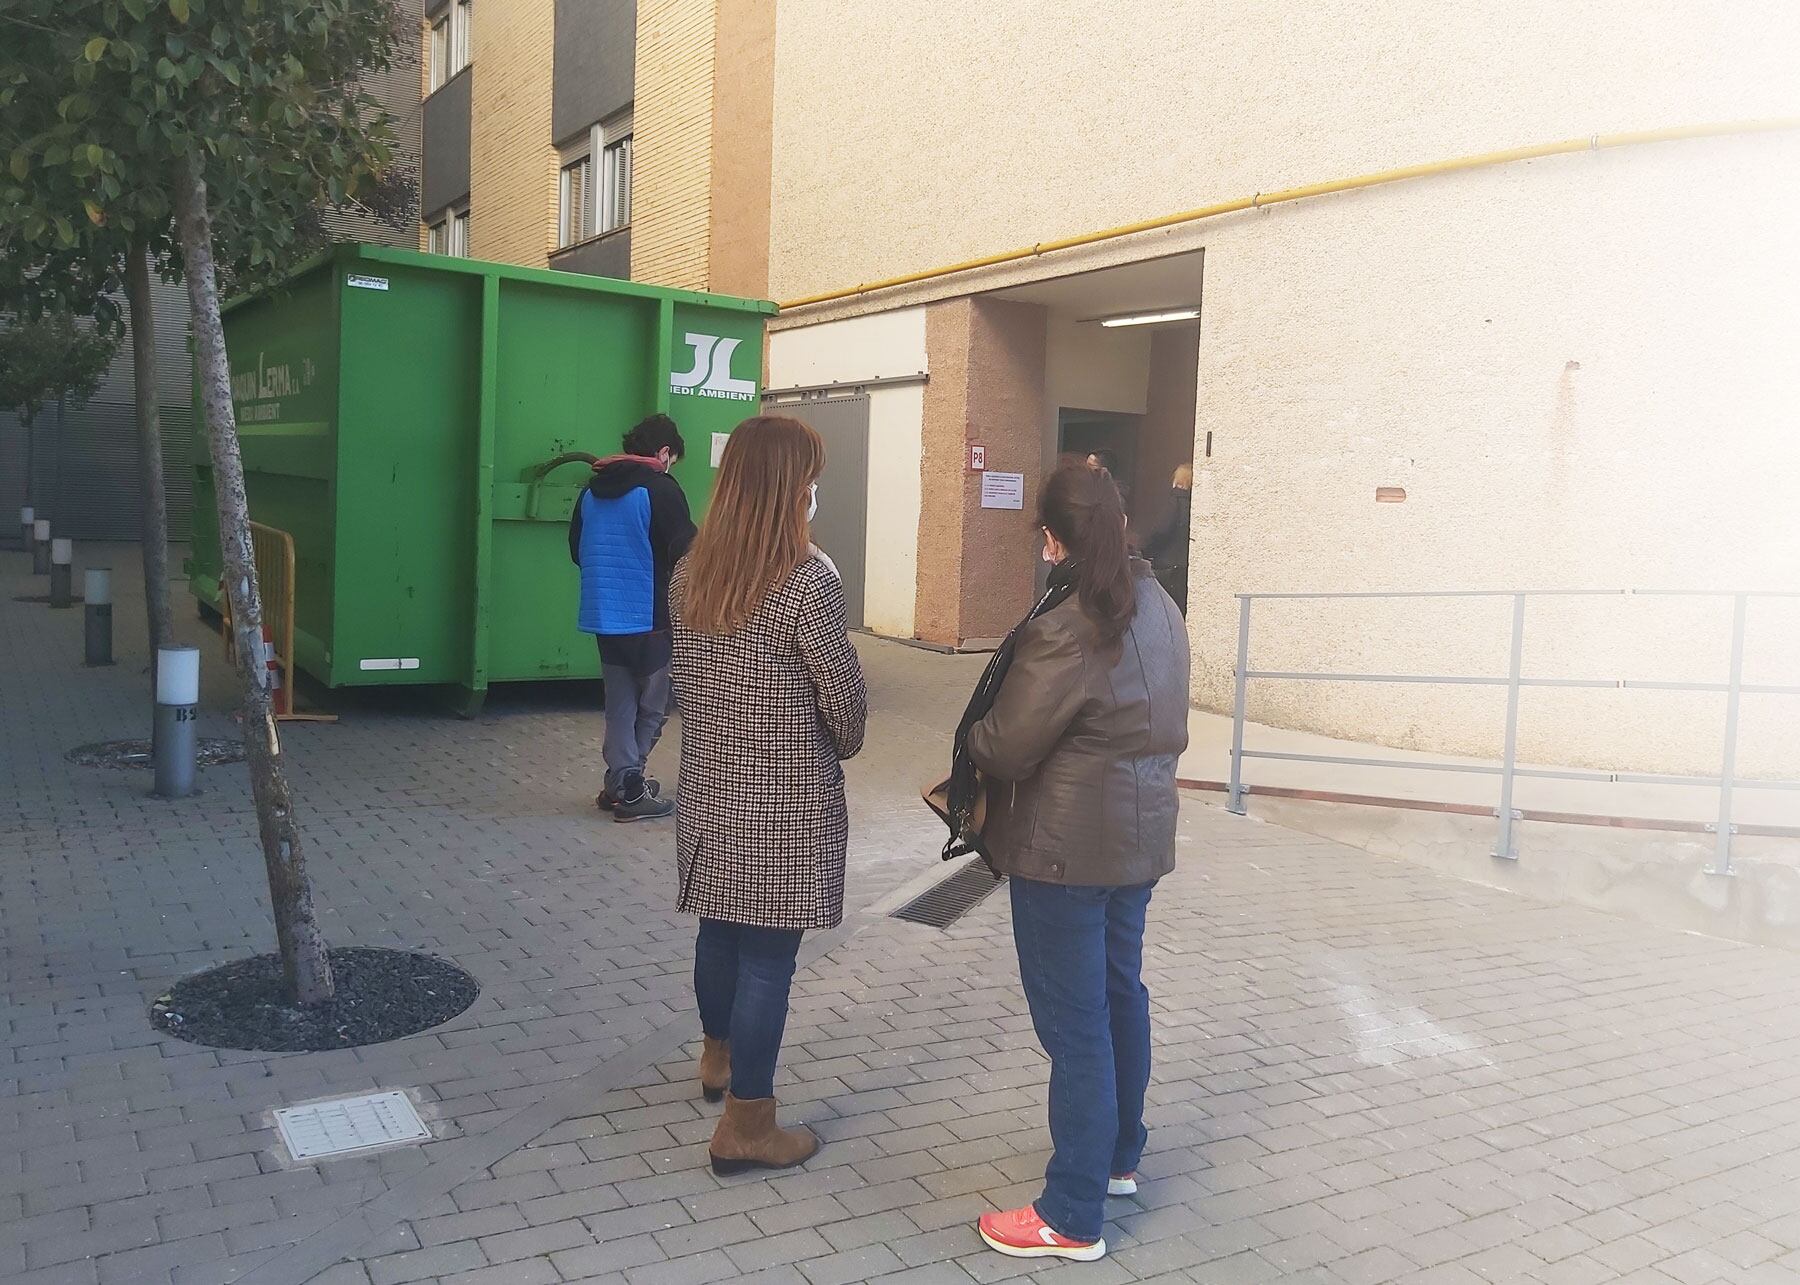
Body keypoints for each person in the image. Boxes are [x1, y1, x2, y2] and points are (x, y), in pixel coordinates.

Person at [960, 460, 1189, 1261]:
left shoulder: (1069, 623)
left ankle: (1070, 1211)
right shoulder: (1161, 605)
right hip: (1138, 841)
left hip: (1063, 855)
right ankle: (1118, 1155)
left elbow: (1007, 745)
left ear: (1054, 539)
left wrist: (973, 735)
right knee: (1121, 995)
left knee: (1076, 1025)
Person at [669, 414, 866, 1174]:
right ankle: (748, 1124)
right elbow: (844, 709)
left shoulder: (692, 571)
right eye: (812, 477)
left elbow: (685, 683)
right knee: (767, 959)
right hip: (784, 802)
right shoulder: (807, 581)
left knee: (718, 934)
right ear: (792, 488)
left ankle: (717, 1058)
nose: (817, 490)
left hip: (709, 791)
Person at [569, 413, 696, 822]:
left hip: (603, 613)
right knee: (654, 707)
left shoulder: (591, 491)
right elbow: (687, 552)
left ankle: (621, 781)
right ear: (664, 452)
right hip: (649, 615)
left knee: (620, 706)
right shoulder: (660, 489)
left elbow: (576, 550)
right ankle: (629, 785)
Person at [1141, 462, 1192, 615]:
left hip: (1167, 565)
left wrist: (1146, 549)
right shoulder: (1193, 504)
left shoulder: (1174, 501)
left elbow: (1162, 530)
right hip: (1183, 565)